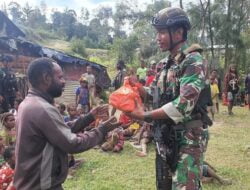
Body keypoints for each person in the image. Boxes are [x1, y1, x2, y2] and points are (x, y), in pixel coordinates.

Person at [126, 8, 209, 190]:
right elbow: (154, 93)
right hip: (165, 136)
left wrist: (145, 116)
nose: (158, 38)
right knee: (164, 185)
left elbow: (183, 105)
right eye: (158, 33)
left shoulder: (193, 61)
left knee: (185, 186)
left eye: (162, 32)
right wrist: (137, 88)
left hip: (188, 138)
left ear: (179, 32)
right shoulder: (164, 64)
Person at [14, 57, 120, 190]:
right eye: (60, 77)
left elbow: (59, 130)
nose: (64, 82)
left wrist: (90, 117)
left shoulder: (29, 103)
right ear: (47, 78)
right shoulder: (41, 109)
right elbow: (72, 143)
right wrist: (101, 130)